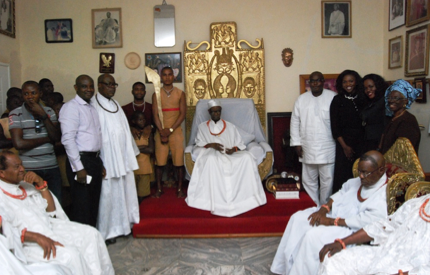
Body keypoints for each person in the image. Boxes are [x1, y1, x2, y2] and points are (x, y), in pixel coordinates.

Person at [271, 150, 388, 275]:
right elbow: (341, 192)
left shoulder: (382, 195)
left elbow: (366, 222)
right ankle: (283, 269)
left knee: (312, 236)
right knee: (298, 218)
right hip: (332, 214)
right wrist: (324, 209)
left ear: (381, 170)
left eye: (366, 173)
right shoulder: (359, 182)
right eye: (360, 172)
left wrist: (331, 222)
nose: (361, 176)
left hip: (349, 228)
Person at [0, 151, 114, 274]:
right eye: (17, 167)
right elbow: (6, 232)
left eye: (22, 165)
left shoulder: (24, 185)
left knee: (92, 234)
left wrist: (40, 183)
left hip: (49, 226)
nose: (23, 169)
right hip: (26, 243)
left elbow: (51, 211)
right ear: (2, 173)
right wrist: (37, 237)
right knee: (70, 255)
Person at [185, 99, 267, 217]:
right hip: (212, 152)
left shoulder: (230, 126)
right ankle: (216, 200)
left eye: (218, 111)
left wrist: (233, 149)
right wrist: (211, 145)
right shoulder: (203, 127)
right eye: (213, 112)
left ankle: (248, 198)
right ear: (209, 112)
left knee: (247, 157)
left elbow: (239, 143)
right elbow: (199, 142)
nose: (216, 114)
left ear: (221, 111)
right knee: (212, 160)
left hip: (229, 153)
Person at [319, 193, 430, 275]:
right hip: (383, 254)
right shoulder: (418, 203)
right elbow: (385, 226)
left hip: (409, 268)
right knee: (334, 261)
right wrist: (342, 242)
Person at [92, 73, 140, 243]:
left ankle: (124, 225)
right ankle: (107, 231)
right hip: (107, 157)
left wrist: (129, 153)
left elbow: (125, 130)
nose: (112, 87)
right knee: (108, 193)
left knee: (124, 190)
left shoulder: (116, 104)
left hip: (121, 155)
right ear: (99, 85)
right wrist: (99, 161)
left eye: (114, 84)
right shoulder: (93, 105)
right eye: (108, 84)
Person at [59, 75, 104, 227]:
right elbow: (68, 140)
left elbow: (94, 138)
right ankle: (82, 245)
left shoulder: (91, 107)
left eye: (91, 86)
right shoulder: (71, 107)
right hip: (81, 161)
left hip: (93, 160)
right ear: (76, 88)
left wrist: (100, 162)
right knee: (82, 205)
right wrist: (79, 168)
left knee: (93, 203)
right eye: (84, 86)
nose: (89, 89)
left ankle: (92, 240)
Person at [9, 81, 63, 203]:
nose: (30, 97)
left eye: (33, 93)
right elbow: (19, 144)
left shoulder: (49, 111)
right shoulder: (16, 114)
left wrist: (43, 115)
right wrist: (46, 139)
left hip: (51, 167)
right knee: (32, 207)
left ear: (40, 93)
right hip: (29, 169)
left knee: (55, 204)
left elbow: (55, 137)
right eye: (26, 94)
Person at [290, 71, 336, 206]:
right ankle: (313, 207)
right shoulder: (301, 99)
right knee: (309, 180)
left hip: (328, 146)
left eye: (318, 80)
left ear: (323, 82)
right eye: (312, 81)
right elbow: (294, 122)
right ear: (309, 83)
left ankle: (324, 208)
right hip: (307, 145)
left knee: (327, 180)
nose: (315, 83)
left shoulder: (333, 97)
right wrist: (296, 143)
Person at [152, 66, 186, 198]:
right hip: (161, 130)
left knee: (178, 161)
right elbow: (155, 114)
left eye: (169, 74)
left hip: (175, 130)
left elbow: (182, 114)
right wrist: (161, 131)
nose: (167, 77)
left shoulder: (180, 93)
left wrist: (170, 130)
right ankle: (159, 189)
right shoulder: (156, 93)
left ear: (174, 76)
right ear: (161, 77)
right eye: (164, 75)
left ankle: (179, 189)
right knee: (159, 162)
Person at [330, 70, 365, 193]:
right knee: (343, 175)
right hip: (343, 143)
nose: (348, 84)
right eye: (344, 82)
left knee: (361, 173)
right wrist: (345, 147)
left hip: (361, 142)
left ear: (356, 82)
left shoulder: (363, 98)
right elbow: (335, 127)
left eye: (351, 81)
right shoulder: (337, 100)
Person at [379, 79, 421, 154]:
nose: (391, 101)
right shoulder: (393, 118)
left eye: (396, 98)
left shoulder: (408, 120)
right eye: (390, 97)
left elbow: (404, 150)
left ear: (406, 101)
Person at [361, 74, 389, 152]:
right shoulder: (369, 101)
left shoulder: (384, 102)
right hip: (368, 141)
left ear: (378, 86)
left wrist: (380, 147)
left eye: (371, 86)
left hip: (378, 143)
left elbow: (385, 127)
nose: (368, 90)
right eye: (365, 88)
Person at [131, 111, 154, 203]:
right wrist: (143, 147)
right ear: (133, 121)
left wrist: (135, 149)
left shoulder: (148, 133)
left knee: (142, 196)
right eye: (140, 120)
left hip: (144, 168)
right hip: (133, 169)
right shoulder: (130, 133)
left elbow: (151, 150)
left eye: (144, 119)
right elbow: (128, 150)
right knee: (132, 195)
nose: (142, 121)